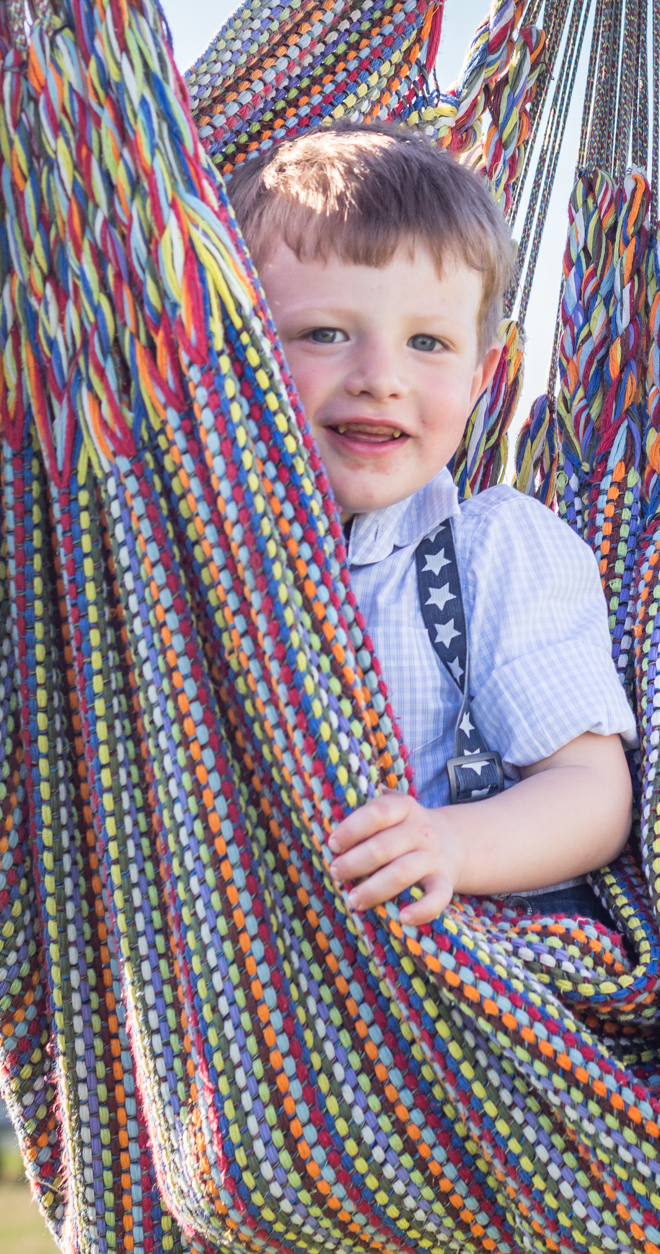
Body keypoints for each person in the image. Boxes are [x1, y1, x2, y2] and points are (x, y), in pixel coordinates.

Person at [225, 123, 637, 928]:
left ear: (482, 376)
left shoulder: (493, 551)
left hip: (429, 988)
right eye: (324, 334)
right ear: (236, 346)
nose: (380, 378)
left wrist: (450, 843)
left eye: (427, 342)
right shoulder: (194, 552)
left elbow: (592, 793)